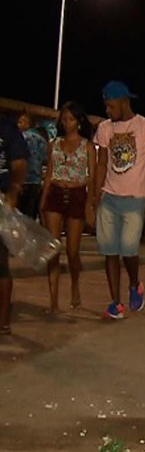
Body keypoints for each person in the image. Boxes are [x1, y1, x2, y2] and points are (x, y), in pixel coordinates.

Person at [92, 81, 145, 320]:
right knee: (110, 252)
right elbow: (102, 163)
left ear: (124, 102)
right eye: (106, 106)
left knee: (128, 249)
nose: (108, 111)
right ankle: (116, 303)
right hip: (109, 197)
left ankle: (135, 284)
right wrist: (94, 197)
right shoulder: (104, 128)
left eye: (111, 106)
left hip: (135, 198)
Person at [41, 101, 97, 313]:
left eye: (71, 119)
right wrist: (43, 199)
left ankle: (75, 284)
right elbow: (49, 173)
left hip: (76, 193)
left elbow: (91, 178)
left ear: (79, 121)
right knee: (53, 248)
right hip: (55, 192)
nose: (67, 123)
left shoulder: (88, 146)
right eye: (64, 119)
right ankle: (53, 299)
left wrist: (90, 205)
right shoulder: (54, 144)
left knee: (72, 250)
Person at [0, 113, 29, 335]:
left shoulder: (7, 127)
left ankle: (3, 321)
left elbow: (19, 164)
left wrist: (13, 190)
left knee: (1, 265)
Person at [16, 111, 48, 221]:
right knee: (30, 218)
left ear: (28, 124)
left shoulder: (20, 138)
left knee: (18, 218)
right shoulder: (42, 140)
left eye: (21, 122)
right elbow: (45, 159)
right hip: (36, 182)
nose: (18, 125)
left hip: (21, 181)